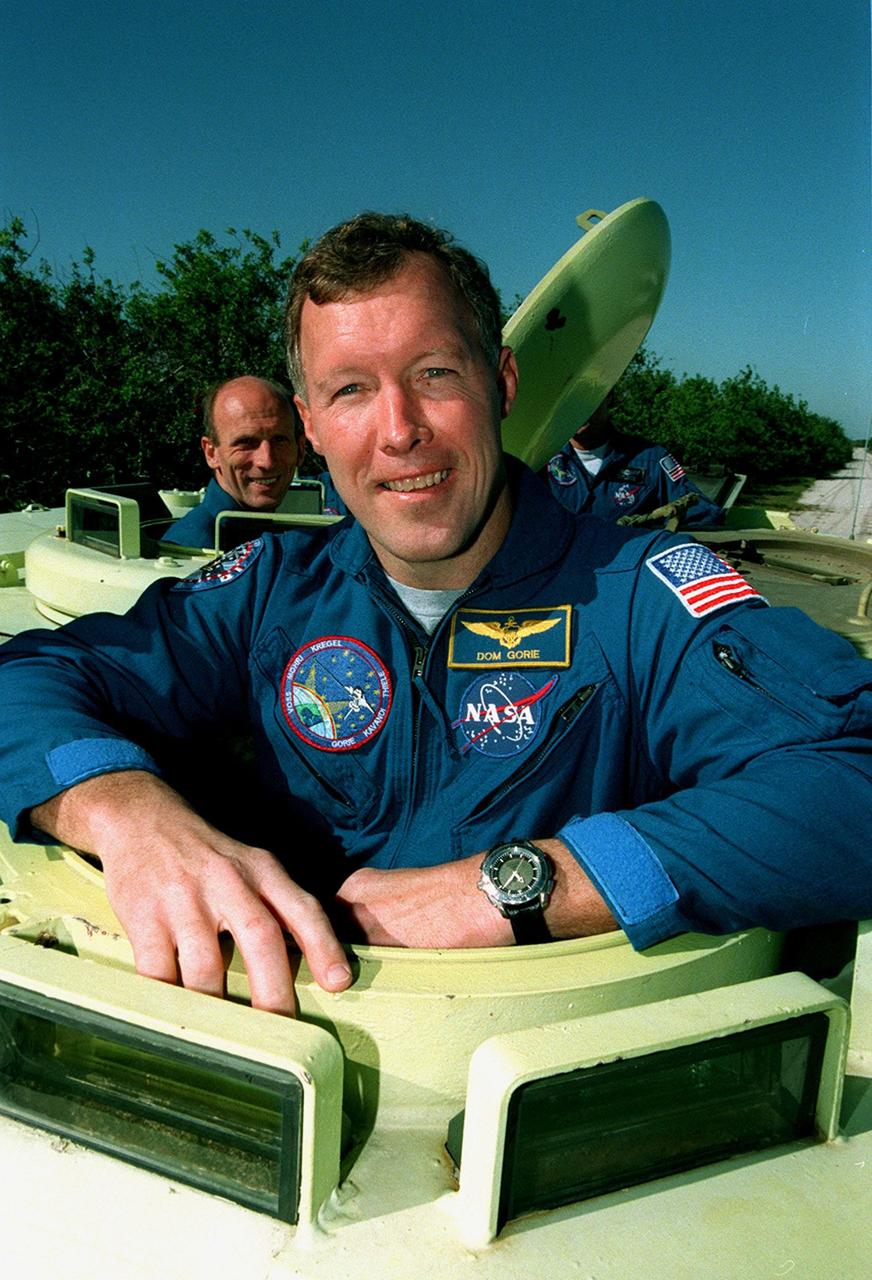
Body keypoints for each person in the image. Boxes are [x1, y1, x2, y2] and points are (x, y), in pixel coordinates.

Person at [0, 213, 870, 1019]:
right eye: (350, 391)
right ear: (312, 425)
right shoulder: (269, 589)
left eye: (435, 375)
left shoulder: (639, 596)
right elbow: (27, 679)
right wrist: (122, 810)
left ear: (502, 384)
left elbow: (852, 777)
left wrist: (526, 885)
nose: (399, 430)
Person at [164, 375, 307, 546]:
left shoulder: (287, 529)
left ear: (300, 449)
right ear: (211, 453)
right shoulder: (193, 549)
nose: (267, 461)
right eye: (246, 442)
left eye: (280, 440)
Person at [543, 393, 724, 527]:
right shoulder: (541, 459)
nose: (578, 411)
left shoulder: (650, 459)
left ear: (609, 398)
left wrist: (648, 524)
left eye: (587, 400)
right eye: (570, 402)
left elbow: (705, 512)